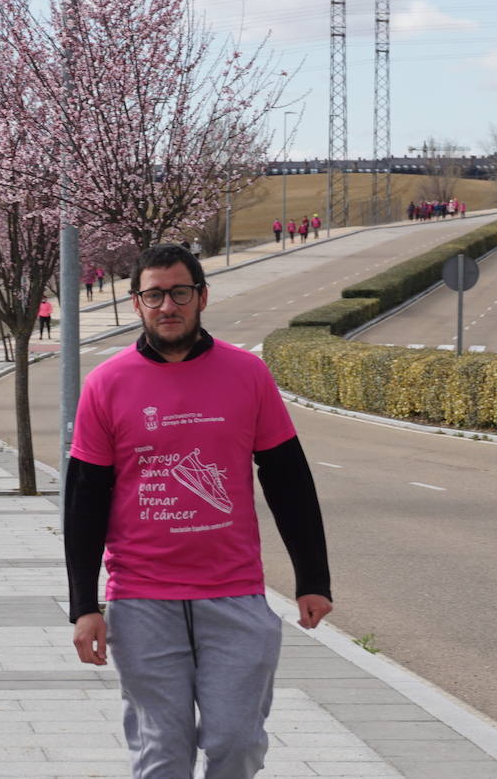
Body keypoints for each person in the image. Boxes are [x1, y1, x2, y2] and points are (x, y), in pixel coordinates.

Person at [64, 244, 333, 779]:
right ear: (136, 304)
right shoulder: (106, 383)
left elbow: (288, 480)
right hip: (141, 600)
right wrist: (82, 605)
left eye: (180, 293)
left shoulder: (248, 374)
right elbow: (84, 500)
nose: (168, 306)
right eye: (154, 295)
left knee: (236, 742)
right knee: (163, 753)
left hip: (233, 593)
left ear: (201, 297)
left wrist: (313, 578)